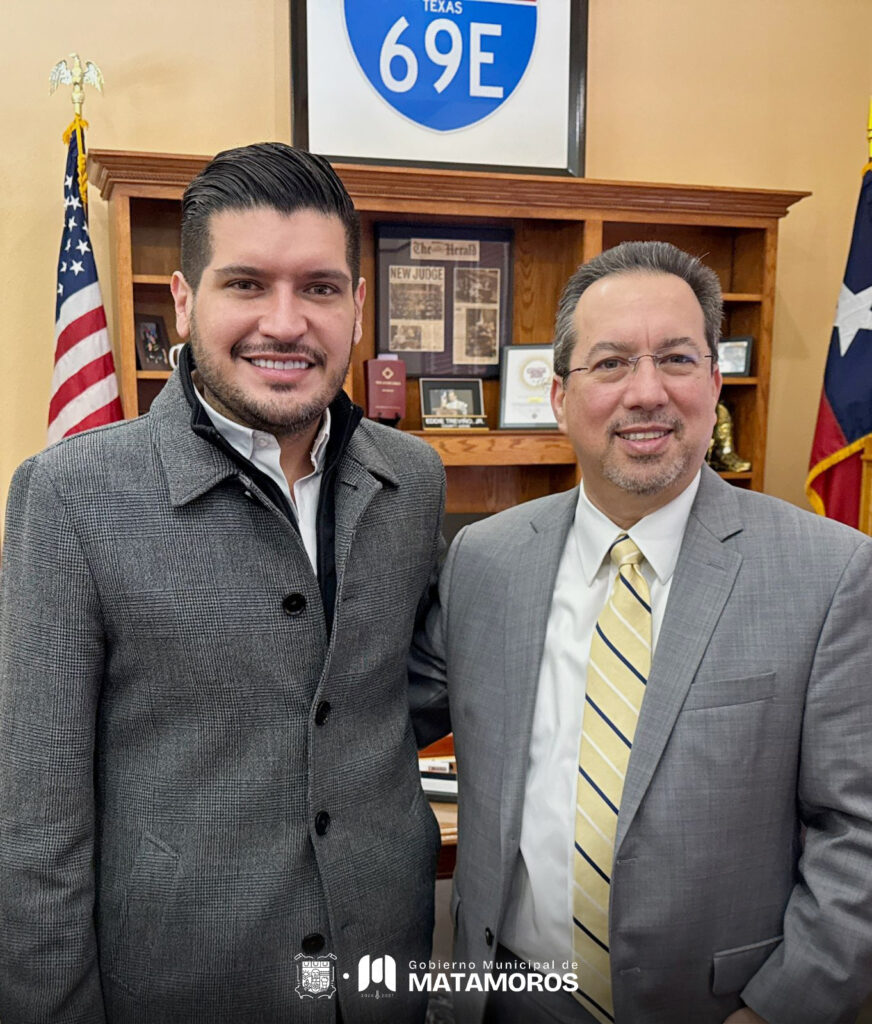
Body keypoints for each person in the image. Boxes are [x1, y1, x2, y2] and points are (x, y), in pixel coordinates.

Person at [0, 143, 445, 1024]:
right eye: (246, 284)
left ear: (358, 306)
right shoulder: (68, 496)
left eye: (319, 287)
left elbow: (391, 692)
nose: (285, 323)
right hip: (182, 985)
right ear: (183, 300)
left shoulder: (414, 478)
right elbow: (36, 826)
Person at [410, 241, 872, 1024]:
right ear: (558, 396)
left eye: (678, 359)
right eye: (612, 363)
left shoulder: (831, 572)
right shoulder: (482, 563)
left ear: (715, 382)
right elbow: (364, 717)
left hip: (720, 1006)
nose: (647, 392)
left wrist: (776, 1012)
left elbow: (859, 834)